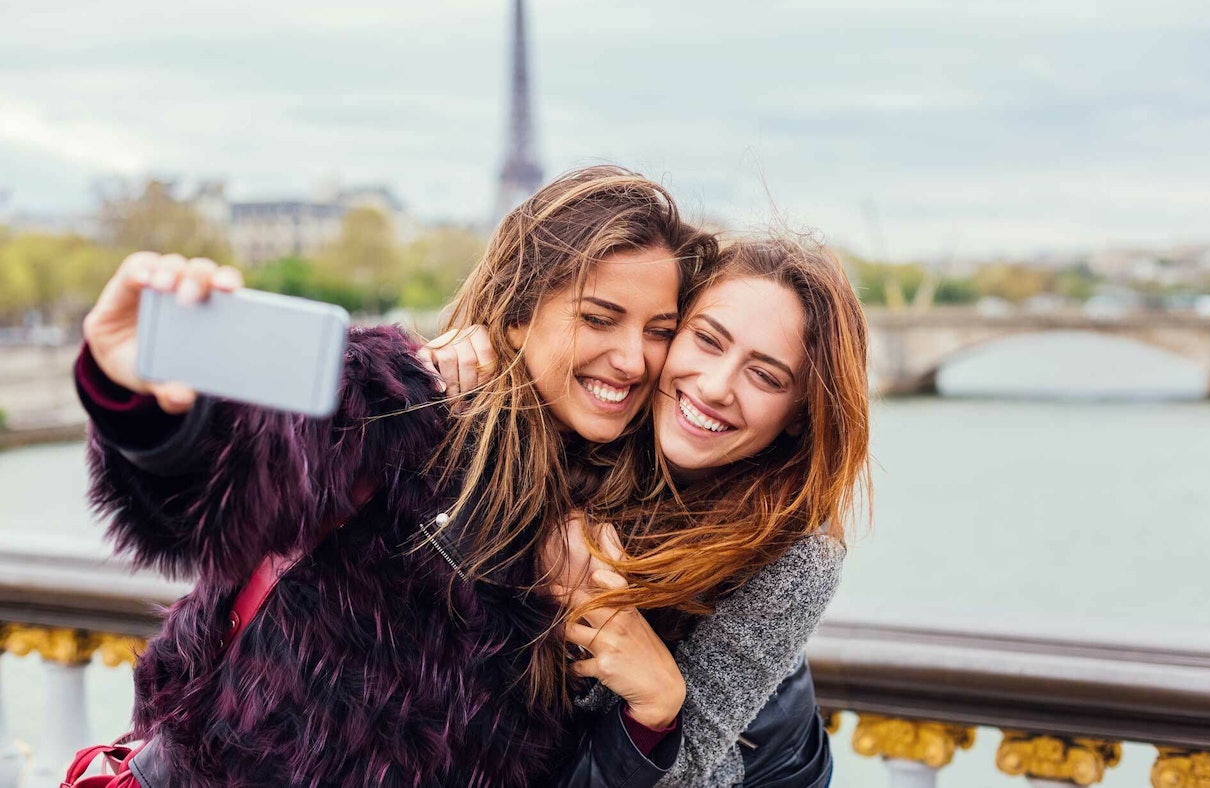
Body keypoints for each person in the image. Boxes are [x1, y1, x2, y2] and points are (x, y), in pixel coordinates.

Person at [74, 166, 716, 787]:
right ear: (518, 310)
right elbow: (206, 491)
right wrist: (133, 396)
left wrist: (655, 711)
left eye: (659, 331)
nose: (633, 359)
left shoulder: (638, 527)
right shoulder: (399, 399)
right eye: (599, 319)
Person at [436, 234, 871, 786]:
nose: (715, 387)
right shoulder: (603, 414)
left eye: (764, 376)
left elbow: (693, 769)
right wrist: (473, 359)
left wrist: (660, 701)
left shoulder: (797, 555)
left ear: (799, 415)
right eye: (707, 341)